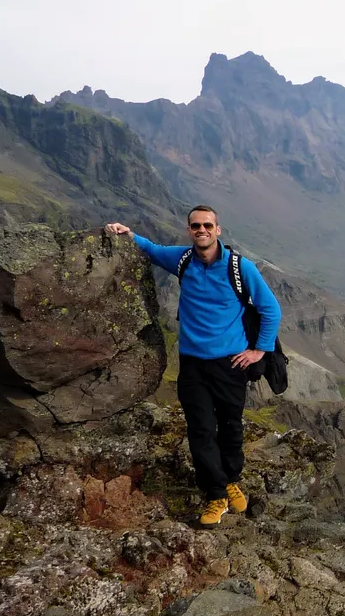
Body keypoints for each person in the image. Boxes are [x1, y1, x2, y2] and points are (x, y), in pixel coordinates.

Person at [105, 206, 282, 528]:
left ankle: (231, 479)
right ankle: (216, 494)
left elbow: (271, 310)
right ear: (189, 230)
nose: (202, 230)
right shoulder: (182, 259)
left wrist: (259, 351)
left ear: (218, 230)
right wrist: (127, 233)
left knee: (231, 425)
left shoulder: (241, 268)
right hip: (192, 364)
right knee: (200, 429)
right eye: (196, 226)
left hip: (230, 363)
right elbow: (152, 250)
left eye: (207, 225)